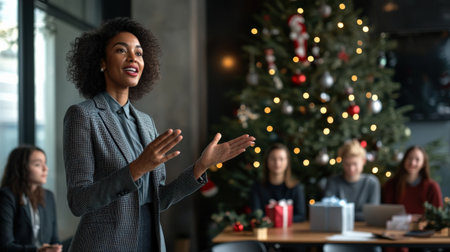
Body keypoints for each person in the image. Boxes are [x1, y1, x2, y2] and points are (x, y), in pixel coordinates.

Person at [64, 17, 255, 252]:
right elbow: (79, 201)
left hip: (150, 242)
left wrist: (201, 166)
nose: (133, 57)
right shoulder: (83, 116)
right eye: (121, 50)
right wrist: (138, 168)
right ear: (102, 62)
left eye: (139, 53)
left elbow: (159, 199)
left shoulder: (145, 123)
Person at [0, 145, 62, 252]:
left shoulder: (48, 196)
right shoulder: (6, 196)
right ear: (21, 168)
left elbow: (54, 239)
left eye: (45, 163)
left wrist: (56, 248)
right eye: (37, 164)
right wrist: (37, 251)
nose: (45, 168)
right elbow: (5, 245)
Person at [324, 139, 380, 221]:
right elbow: (327, 212)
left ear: (363, 161)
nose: (351, 169)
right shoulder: (333, 182)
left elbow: (373, 214)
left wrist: (343, 214)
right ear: (342, 162)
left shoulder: (372, 183)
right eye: (347, 164)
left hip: (364, 229)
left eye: (355, 164)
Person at [250, 143, 306, 222]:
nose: (277, 163)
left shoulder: (296, 187)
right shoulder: (257, 187)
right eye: (273, 159)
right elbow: (256, 215)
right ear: (267, 161)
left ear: (287, 161)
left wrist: (277, 219)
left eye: (281, 159)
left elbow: (301, 216)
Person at [383, 145, 443, 215]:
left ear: (423, 163)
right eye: (409, 158)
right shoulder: (391, 185)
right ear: (404, 160)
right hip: (396, 225)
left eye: (417, 160)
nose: (412, 163)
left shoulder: (432, 187)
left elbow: (438, 216)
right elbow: (385, 213)